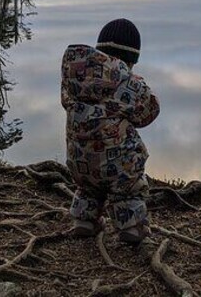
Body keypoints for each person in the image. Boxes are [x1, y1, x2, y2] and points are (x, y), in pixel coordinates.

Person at [61, 18, 160, 244]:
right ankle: (131, 226)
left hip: (79, 161)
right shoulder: (128, 82)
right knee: (127, 187)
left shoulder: (73, 77)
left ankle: (84, 221)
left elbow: (67, 104)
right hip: (117, 166)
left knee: (88, 188)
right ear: (132, 58)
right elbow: (149, 113)